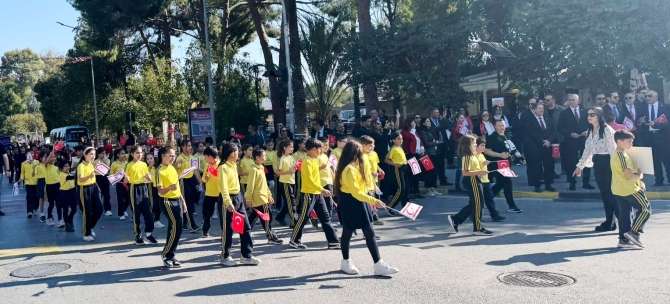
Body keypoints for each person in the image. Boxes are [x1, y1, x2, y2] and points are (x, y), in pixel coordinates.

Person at [335, 140, 399, 276]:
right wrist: (374, 201)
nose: (363, 153)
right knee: (347, 232)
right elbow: (355, 192)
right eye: (360, 151)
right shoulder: (349, 169)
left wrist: (373, 188)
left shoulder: (358, 165)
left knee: (369, 232)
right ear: (355, 152)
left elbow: (365, 182)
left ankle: (378, 264)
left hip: (361, 200)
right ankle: (345, 261)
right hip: (350, 202)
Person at [288, 138, 340, 249]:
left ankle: (333, 241)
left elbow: (316, 174)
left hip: (317, 193)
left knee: (325, 217)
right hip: (309, 193)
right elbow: (309, 180)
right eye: (319, 149)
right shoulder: (306, 161)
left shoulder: (314, 160)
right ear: (313, 149)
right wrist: (322, 189)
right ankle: (294, 240)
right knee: (304, 217)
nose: (321, 151)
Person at [573, 107, 618, 232]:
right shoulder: (589, 131)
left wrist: (617, 168)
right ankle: (610, 221)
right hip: (597, 163)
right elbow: (587, 150)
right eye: (588, 114)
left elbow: (613, 149)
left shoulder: (607, 129)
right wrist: (579, 166)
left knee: (612, 194)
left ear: (599, 115)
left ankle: (624, 224)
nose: (589, 117)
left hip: (608, 162)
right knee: (605, 194)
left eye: (592, 114)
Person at [218, 142, 262, 266]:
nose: (239, 153)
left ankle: (246, 255)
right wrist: (227, 202)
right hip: (228, 200)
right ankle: (225, 256)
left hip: (238, 197)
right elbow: (223, 188)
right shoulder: (223, 167)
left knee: (245, 227)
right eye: (237, 151)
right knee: (228, 229)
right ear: (232, 153)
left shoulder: (234, 165)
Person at [447, 135, 494, 236]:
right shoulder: (467, 156)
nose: (475, 145)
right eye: (474, 143)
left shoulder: (473, 156)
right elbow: (465, 172)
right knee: (479, 204)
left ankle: (456, 219)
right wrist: (479, 172)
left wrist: (480, 171)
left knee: (475, 204)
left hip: (476, 180)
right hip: (472, 181)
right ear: (468, 145)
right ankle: (477, 228)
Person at [611, 130, 651, 249]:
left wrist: (640, 181)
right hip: (629, 189)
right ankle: (633, 233)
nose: (631, 144)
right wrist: (640, 176)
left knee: (624, 215)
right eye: (629, 141)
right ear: (619, 141)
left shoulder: (617, 154)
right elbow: (629, 175)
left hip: (618, 189)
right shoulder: (621, 155)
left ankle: (623, 240)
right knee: (645, 208)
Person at [156, 146, 187, 267]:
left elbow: (177, 188)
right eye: (171, 156)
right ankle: (166, 254)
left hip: (177, 200)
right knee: (177, 227)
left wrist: (182, 201)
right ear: (163, 156)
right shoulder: (160, 170)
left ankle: (171, 255)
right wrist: (169, 188)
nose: (173, 158)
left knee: (173, 228)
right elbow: (160, 191)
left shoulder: (172, 169)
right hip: (167, 201)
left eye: (174, 156)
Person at [245, 148, 284, 245]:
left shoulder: (261, 168)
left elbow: (264, 185)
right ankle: (270, 237)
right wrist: (248, 198)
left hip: (263, 197)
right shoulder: (254, 170)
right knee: (266, 217)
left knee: (253, 218)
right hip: (259, 199)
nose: (266, 157)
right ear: (257, 158)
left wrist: (269, 195)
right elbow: (250, 185)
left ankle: (244, 235)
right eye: (264, 156)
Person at [484, 120, 523, 212]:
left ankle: (485, 199)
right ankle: (512, 206)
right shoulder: (492, 137)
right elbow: (486, 151)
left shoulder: (507, 136)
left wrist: (520, 157)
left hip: (506, 164)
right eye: (499, 126)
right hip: (496, 164)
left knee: (500, 184)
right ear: (495, 127)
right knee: (507, 183)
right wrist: (500, 155)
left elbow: (513, 149)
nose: (502, 127)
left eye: (503, 125)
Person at [557, 93, 594, 190]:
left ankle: (586, 183)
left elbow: (592, 124)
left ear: (578, 101)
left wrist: (588, 131)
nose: (571, 101)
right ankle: (572, 183)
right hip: (570, 141)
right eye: (570, 100)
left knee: (586, 161)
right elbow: (560, 128)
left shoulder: (585, 112)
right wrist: (570, 133)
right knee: (572, 162)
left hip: (584, 140)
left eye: (573, 100)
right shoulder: (564, 113)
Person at [636, 90, 670, 186]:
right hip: (649, 137)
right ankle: (658, 180)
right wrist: (640, 122)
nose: (647, 98)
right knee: (655, 160)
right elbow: (637, 122)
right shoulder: (641, 108)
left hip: (663, 137)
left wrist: (656, 124)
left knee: (667, 159)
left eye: (650, 96)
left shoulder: (666, 108)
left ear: (656, 96)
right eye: (645, 96)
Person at [125, 145, 157, 245]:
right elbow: (126, 179)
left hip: (144, 187)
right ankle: (137, 236)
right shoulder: (129, 165)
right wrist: (126, 180)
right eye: (137, 153)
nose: (139, 155)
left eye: (141, 152)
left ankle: (148, 234)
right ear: (132, 154)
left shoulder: (144, 164)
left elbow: (148, 178)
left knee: (148, 212)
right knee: (137, 213)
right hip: (134, 188)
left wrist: (148, 177)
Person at [523, 103, 557, 192]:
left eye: (542, 108)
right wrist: (542, 141)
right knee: (536, 167)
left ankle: (548, 185)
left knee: (549, 166)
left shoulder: (548, 119)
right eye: (539, 108)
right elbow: (531, 133)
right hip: (536, 148)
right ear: (534, 110)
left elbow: (553, 131)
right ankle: (537, 186)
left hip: (547, 147)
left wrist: (549, 140)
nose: (542, 110)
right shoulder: (529, 120)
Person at [76, 147, 104, 242]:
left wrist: (97, 187)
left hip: (93, 187)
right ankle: (86, 233)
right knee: (87, 211)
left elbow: (93, 178)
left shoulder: (91, 165)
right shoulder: (81, 166)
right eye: (91, 154)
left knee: (99, 209)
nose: (93, 156)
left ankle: (90, 226)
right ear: (85, 155)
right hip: (84, 189)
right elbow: (81, 179)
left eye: (94, 154)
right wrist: (89, 176)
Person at [175, 140, 202, 232]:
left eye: (191, 145)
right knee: (187, 202)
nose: (190, 147)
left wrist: (200, 181)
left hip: (191, 180)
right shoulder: (179, 158)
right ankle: (193, 225)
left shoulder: (192, 157)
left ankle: (184, 223)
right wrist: (177, 164)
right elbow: (175, 170)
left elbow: (195, 170)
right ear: (183, 147)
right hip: (183, 181)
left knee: (190, 201)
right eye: (188, 146)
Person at [428, 107, 453, 186]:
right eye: (436, 113)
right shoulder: (429, 121)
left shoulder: (440, 121)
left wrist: (446, 143)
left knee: (442, 163)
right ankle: (433, 182)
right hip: (433, 145)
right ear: (431, 113)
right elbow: (429, 131)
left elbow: (444, 132)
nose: (438, 114)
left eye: (438, 112)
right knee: (434, 164)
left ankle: (443, 180)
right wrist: (436, 129)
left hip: (442, 144)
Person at [274, 140, 297, 226]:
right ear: (284, 148)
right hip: (285, 182)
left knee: (289, 202)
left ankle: (280, 216)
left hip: (292, 181)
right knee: (291, 202)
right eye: (290, 147)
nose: (292, 148)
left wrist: (296, 167)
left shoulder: (291, 157)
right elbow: (278, 172)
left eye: (292, 147)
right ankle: (294, 220)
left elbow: (293, 169)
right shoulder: (282, 159)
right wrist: (288, 171)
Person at [400, 118, 424, 199]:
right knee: (410, 174)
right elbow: (411, 138)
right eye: (413, 122)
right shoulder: (405, 132)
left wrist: (422, 148)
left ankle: (416, 191)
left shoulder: (415, 132)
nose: (415, 123)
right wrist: (413, 129)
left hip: (416, 154)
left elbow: (419, 140)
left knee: (416, 173)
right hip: (409, 154)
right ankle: (410, 191)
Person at [384, 132, 408, 212]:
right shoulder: (393, 149)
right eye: (398, 139)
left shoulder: (400, 148)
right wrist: (395, 164)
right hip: (397, 169)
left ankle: (406, 207)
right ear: (393, 140)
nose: (401, 140)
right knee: (401, 190)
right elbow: (386, 160)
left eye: (401, 138)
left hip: (404, 168)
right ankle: (390, 207)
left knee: (405, 190)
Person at [201, 147, 221, 237]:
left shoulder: (221, 165)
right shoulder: (207, 165)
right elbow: (203, 180)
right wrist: (206, 178)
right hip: (209, 193)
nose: (205, 158)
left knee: (222, 214)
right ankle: (205, 230)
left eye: (205, 156)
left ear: (209, 156)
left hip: (220, 193)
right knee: (207, 213)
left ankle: (224, 232)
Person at [418, 117, 439, 196]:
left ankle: (433, 188)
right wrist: (436, 143)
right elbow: (426, 143)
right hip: (428, 154)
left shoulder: (431, 130)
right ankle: (428, 188)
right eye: (427, 121)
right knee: (429, 172)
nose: (429, 122)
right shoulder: (423, 132)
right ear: (423, 123)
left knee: (434, 172)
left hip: (434, 153)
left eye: (429, 121)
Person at [145, 153, 165, 229]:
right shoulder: (146, 168)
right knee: (153, 204)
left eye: (151, 158)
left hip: (159, 187)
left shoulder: (157, 167)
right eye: (147, 159)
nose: (149, 160)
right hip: (151, 187)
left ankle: (157, 220)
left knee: (159, 204)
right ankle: (150, 220)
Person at [57, 160, 77, 232]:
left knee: (74, 208)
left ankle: (70, 218)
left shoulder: (70, 173)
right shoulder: (62, 175)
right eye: (65, 166)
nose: (67, 167)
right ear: (61, 169)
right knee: (65, 209)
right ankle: (67, 224)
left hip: (72, 192)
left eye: (68, 166)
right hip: (64, 193)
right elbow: (70, 178)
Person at [111, 148, 130, 220]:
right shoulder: (114, 164)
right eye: (122, 154)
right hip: (119, 183)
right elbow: (111, 175)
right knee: (120, 199)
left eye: (124, 153)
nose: (124, 155)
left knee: (128, 199)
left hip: (127, 182)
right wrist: (117, 177)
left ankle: (124, 209)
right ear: (118, 155)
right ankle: (121, 213)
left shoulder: (127, 163)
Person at [93, 147, 112, 216]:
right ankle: (97, 208)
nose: (103, 155)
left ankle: (107, 209)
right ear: (98, 154)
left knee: (107, 194)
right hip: (98, 177)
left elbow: (107, 168)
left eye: (104, 153)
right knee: (98, 194)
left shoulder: (107, 160)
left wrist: (104, 160)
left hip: (105, 177)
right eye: (102, 153)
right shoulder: (95, 162)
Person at [44, 149, 61, 226]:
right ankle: (49, 217)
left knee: (59, 204)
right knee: (51, 204)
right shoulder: (46, 166)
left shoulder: (57, 168)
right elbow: (46, 161)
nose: (53, 158)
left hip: (57, 186)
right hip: (49, 187)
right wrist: (51, 152)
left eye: (54, 157)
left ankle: (60, 220)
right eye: (51, 157)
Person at [19, 151, 38, 218]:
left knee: (36, 197)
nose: (31, 154)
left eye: (32, 153)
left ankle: (35, 207)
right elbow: (22, 173)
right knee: (29, 197)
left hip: (36, 182)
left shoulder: (37, 162)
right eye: (29, 153)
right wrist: (21, 178)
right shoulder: (23, 163)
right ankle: (29, 211)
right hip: (28, 183)